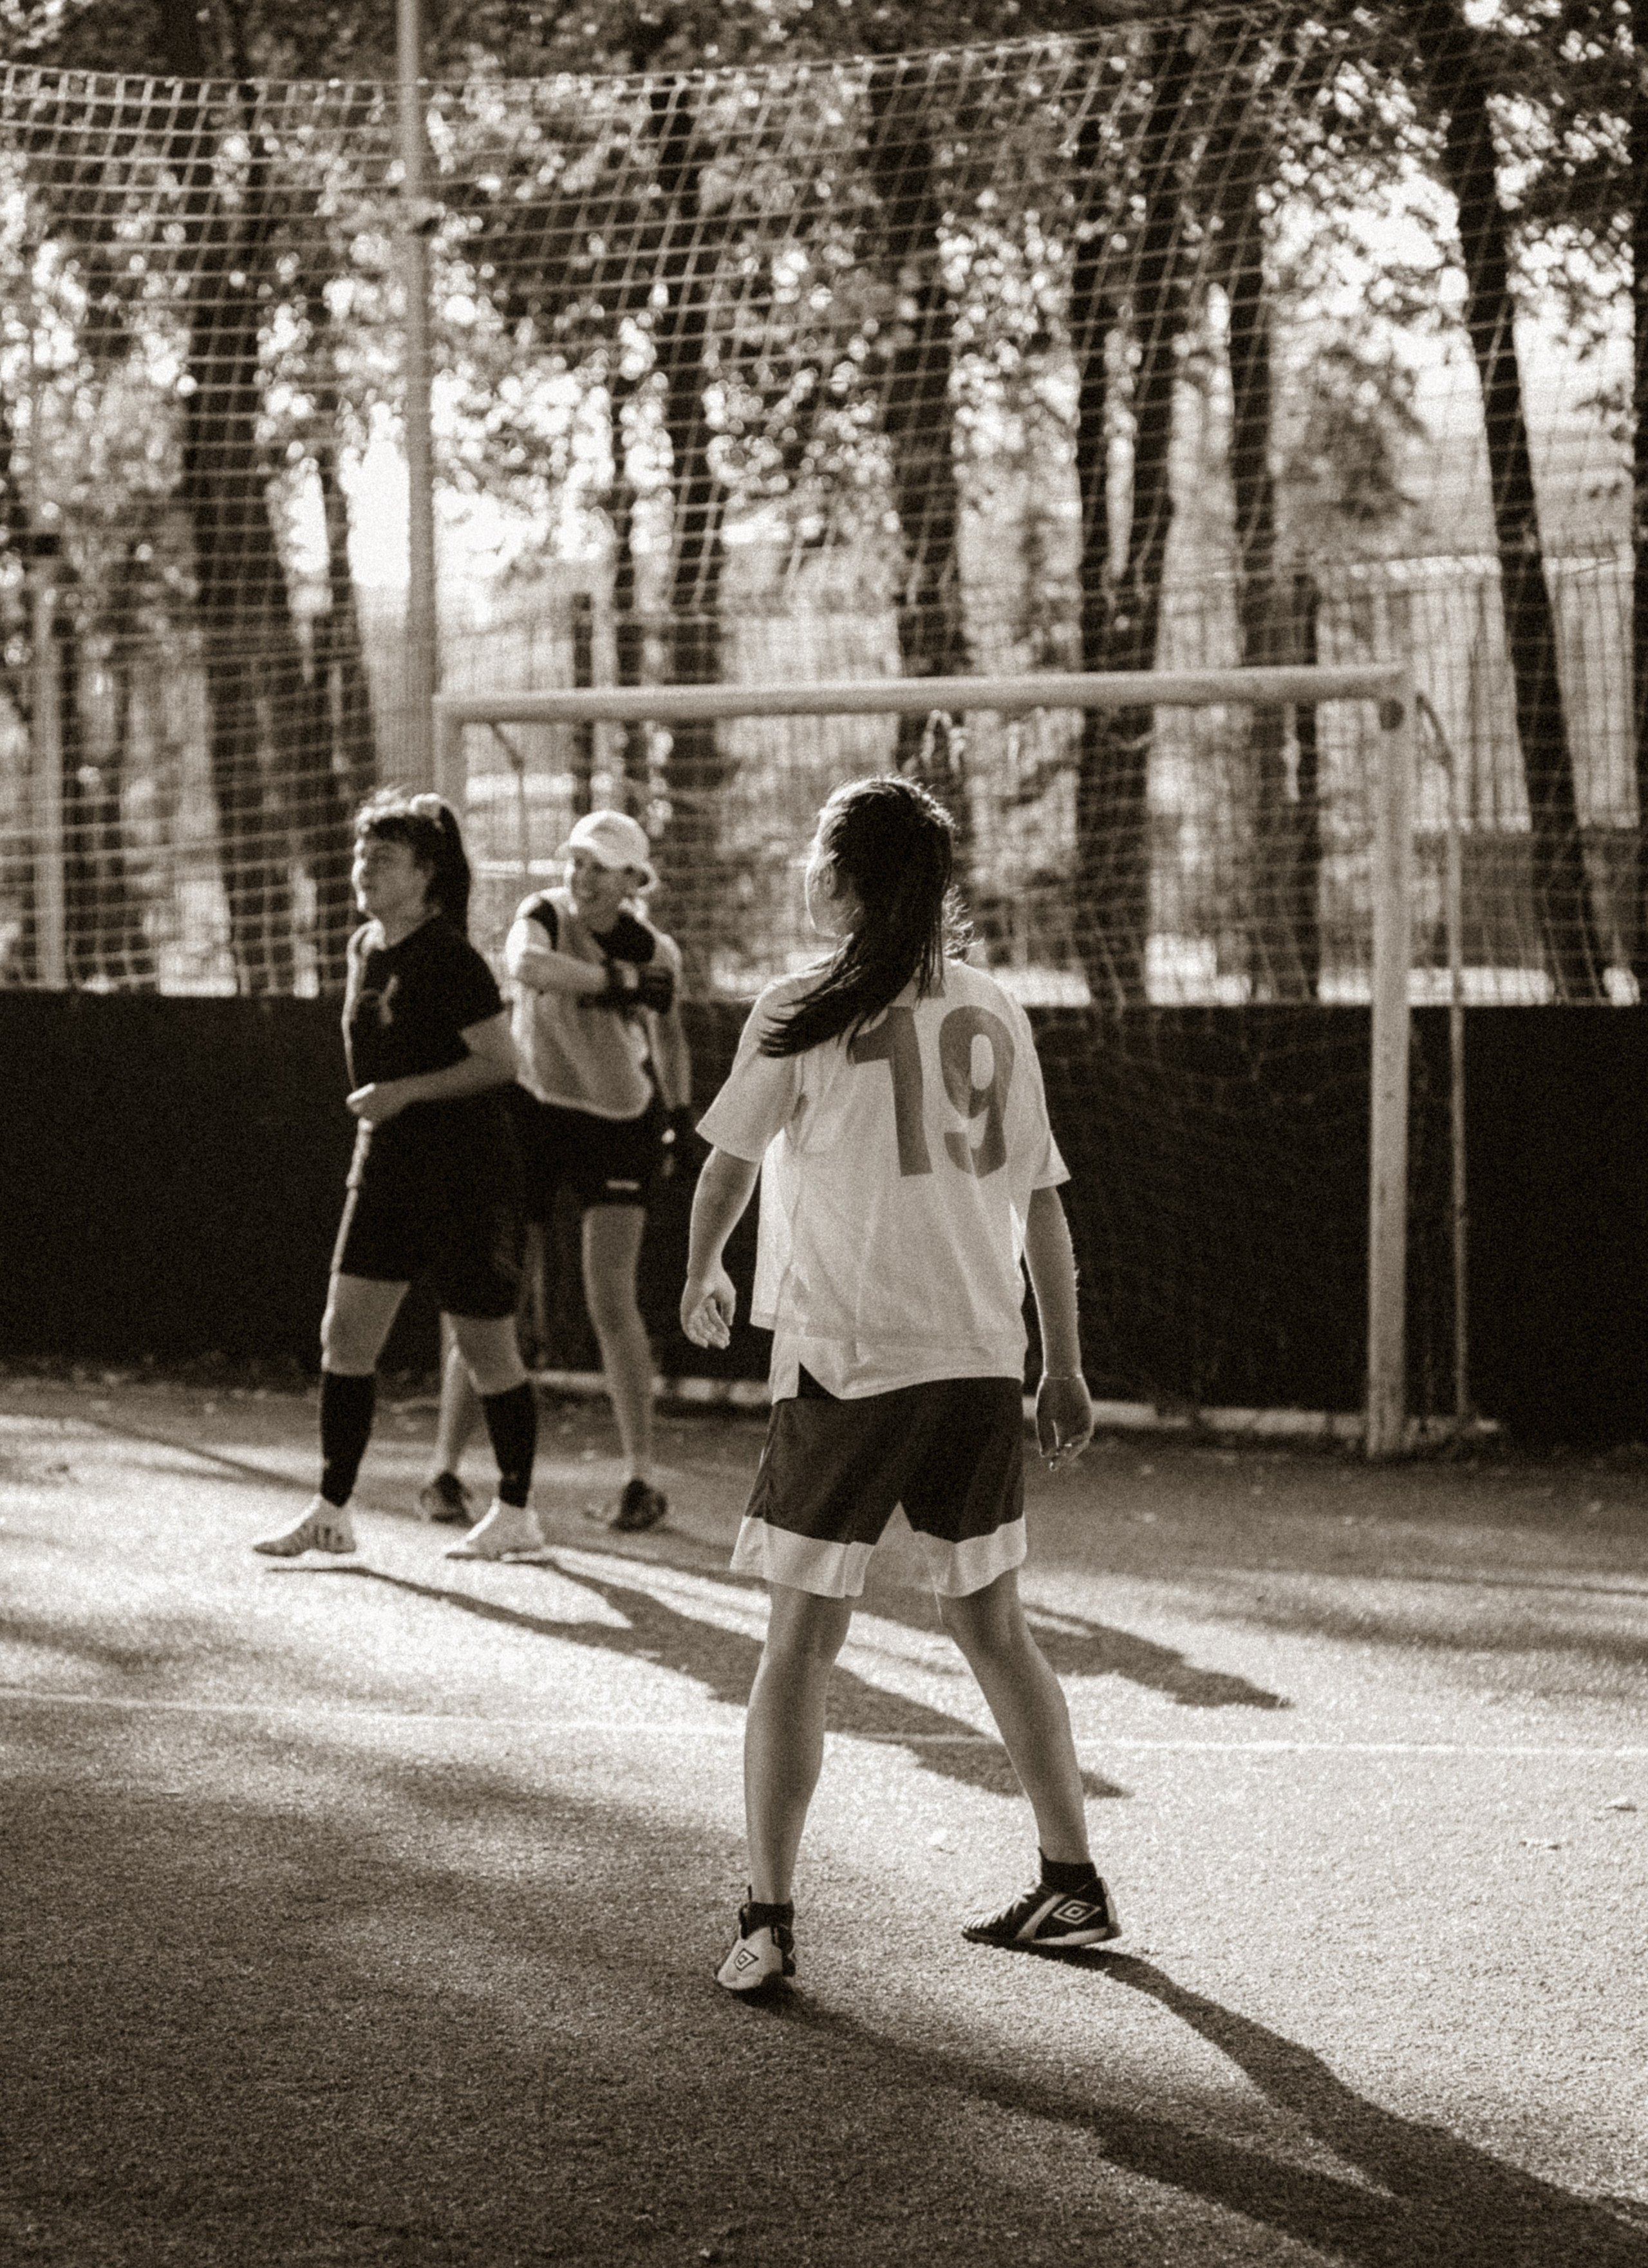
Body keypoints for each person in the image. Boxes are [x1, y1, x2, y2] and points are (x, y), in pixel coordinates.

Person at [679, 775, 1118, 1994]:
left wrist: (700, 1265)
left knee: (799, 1644)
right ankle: (1072, 1878)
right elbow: (1041, 1202)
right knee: (993, 1624)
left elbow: (726, 1168)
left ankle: (767, 1915)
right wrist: (1062, 1361)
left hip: (849, 1361)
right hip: (978, 1357)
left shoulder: (803, 1005)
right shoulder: (994, 1007)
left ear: (844, 880)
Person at [252, 790, 543, 1564]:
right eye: (359, 856)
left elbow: (499, 1061)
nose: (363, 870)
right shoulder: (363, 948)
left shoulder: (450, 957)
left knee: (487, 1349)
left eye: (382, 859)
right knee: (344, 1334)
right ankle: (331, 1511)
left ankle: (517, 1512)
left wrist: (406, 1091)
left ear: (426, 874)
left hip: (464, 1175)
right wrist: (387, 1107)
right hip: (383, 1168)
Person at [418, 809, 692, 1536]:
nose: (583, 877)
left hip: (619, 1121)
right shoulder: (540, 914)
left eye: (601, 867)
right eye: (576, 862)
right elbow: (527, 967)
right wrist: (620, 980)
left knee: (610, 1299)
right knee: (491, 1295)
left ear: (633, 880)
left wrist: (681, 1116)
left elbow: (668, 1030)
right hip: (533, 1113)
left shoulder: (658, 948)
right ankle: (444, 1472)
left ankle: (641, 1479)